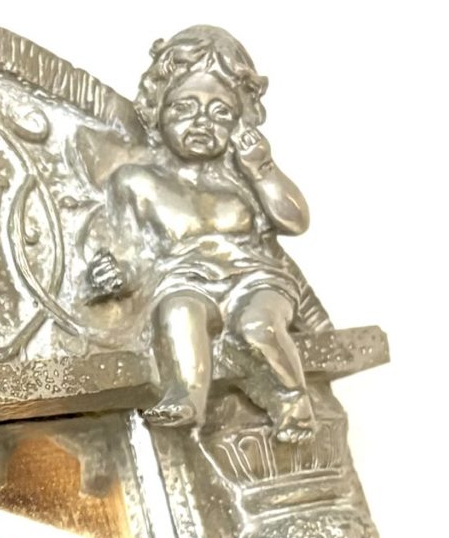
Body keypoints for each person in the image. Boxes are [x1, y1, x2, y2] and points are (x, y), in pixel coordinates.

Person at [84, 26, 316, 439]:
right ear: (157, 110)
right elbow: (128, 250)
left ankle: (293, 400)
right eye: (184, 107)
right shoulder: (136, 181)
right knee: (178, 312)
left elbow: (295, 221)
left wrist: (262, 169)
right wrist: (112, 274)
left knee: (259, 327)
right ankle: (187, 398)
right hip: (185, 282)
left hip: (255, 281)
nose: (202, 122)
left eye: (220, 112)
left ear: (239, 123)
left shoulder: (241, 176)